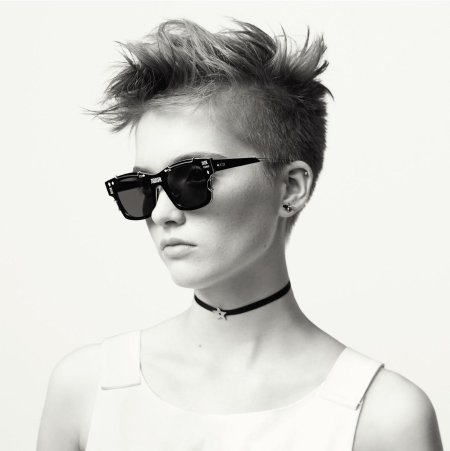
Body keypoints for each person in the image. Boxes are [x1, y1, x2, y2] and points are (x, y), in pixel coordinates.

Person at [37, 19, 443, 451]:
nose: (160, 213)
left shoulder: (384, 418)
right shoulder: (87, 390)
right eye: (141, 188)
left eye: (192, 177)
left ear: (291, 188)